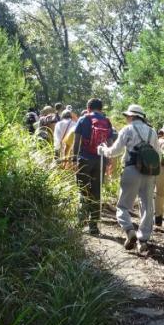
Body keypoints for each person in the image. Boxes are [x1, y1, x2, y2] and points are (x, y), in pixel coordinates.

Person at [99, 104, 159, 254]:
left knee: (123, 206)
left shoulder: (128, 129)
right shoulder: (153, 132)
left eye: (127, 116)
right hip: (150, 172)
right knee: (147, 206)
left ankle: (129, 230)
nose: (126, 119)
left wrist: (102, 150)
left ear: (132, 116)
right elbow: (158, 154)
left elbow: (115, 151)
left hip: (132, 170)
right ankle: (143, 239)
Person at [72, 98, 114, 235]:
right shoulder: (107, 122)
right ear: (101, 109)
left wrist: (74, 159)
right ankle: (93, 225)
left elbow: (77, 140)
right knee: (96, 192)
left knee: (83, 189)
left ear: (88, 107)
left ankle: (81, 219)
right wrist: (108, 160)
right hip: (100, 160)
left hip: (85, 159)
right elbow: (110, 142)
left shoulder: (84, 119)